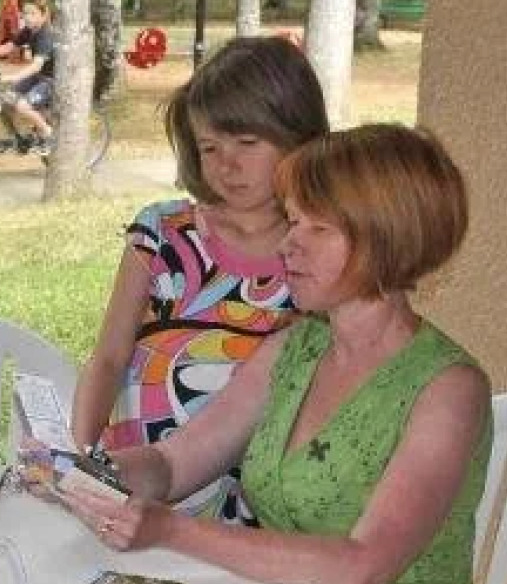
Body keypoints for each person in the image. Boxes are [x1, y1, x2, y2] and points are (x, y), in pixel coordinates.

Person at [59, 124, 490, 584]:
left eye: (317, 229)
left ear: (385, 239)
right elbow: (177, 463)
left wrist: (169, 531)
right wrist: (94, 470)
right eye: (294, 220)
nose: (288, 242)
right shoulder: (295, 346)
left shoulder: (446, 389)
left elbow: (361, 570)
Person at [72, 36, 328, 521]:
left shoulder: (316, 255)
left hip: (244, 516)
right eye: (209, 147)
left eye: (247, 143)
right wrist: (86, 458)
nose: (226, 165)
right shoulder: (163, 235)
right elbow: (108, 357)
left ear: (300, 137)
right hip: (129, 488)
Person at [0, 0, 56, 147]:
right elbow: (9, 47)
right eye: (25, 13)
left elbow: (36, 65)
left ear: (43, 15)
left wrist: (14, 77)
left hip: (51, 81)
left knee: (22, 106)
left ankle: (49, 135)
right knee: (7, 100)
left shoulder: (45, 35)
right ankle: (18, 137)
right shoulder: (29, 30)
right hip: (38, 76)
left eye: (33, 13)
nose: (27, 17)